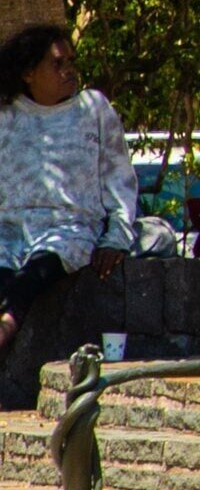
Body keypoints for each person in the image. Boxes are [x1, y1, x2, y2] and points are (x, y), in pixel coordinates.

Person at [0, 24, 135, 355]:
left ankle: (5, 328)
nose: (69, 71)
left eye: (71, 62)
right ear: (29, 73)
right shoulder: (6, 115)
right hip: (8, 229)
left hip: (70, 228)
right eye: (57, 64)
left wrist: (116, 236)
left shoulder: (93, 110)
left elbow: (119, 178)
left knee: (36, 273)